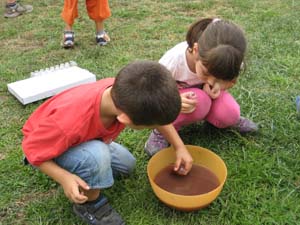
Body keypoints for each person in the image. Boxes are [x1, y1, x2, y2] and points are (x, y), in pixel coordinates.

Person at [21, 61, 193, 225]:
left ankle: (91, 164)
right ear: (124, 119)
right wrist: (64, 177)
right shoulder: (68, 123)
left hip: (83, 138)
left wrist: (179, 147)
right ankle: (91, 205)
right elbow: (31, 150)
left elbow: (158, 116)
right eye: (150, 126)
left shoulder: (125, 93)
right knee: (97, 157)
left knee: (127, 166)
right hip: (47, 145)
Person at [145, 18, 258, 156]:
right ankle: (162, 131)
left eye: (218, 76)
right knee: (200, 100)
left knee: (229, 114)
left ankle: (222, 119)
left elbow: (231, 81)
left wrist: (219, 86)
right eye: (206, 72)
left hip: (205, 95)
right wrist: (175, 100)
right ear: (196, 50)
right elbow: (153, 93)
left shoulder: (230, 57)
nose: (211, 80)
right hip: (174, 98)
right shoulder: (173, 62)